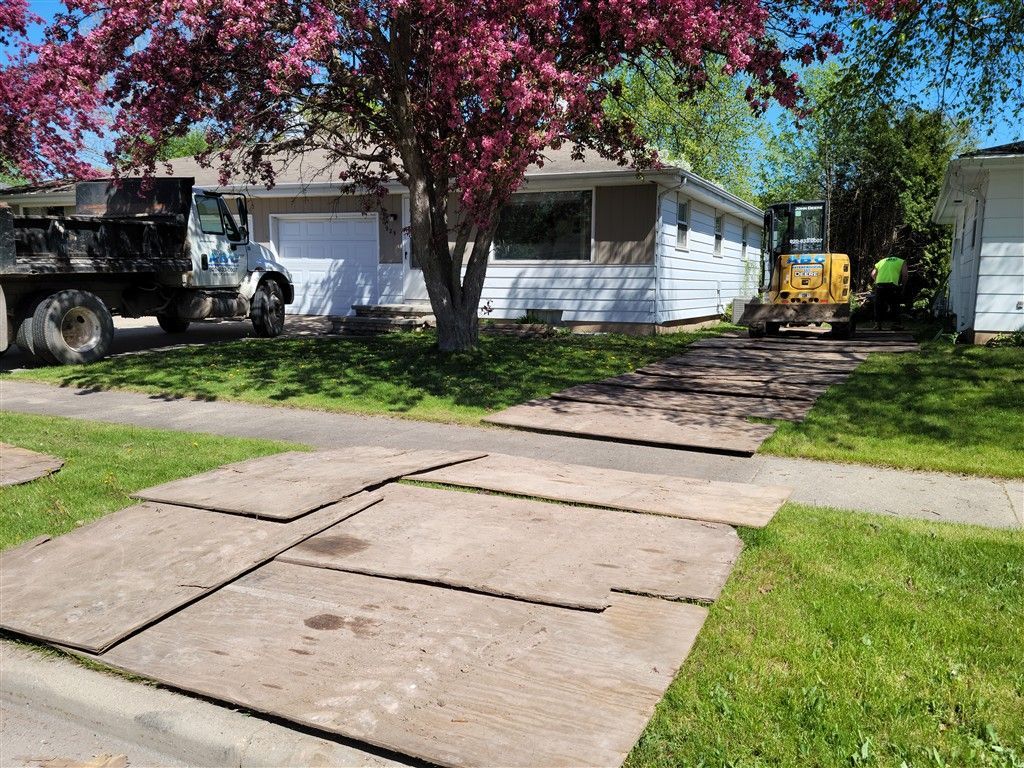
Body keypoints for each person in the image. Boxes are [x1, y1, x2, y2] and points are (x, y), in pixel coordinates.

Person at [870, 255, 908, 330]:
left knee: (878, 305)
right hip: (892, 285)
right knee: (894, 304)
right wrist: (903, 286)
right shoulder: (901, 261)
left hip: (880, 285)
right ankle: (896, 324)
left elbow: (873, 274)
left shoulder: (881, 261)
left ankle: (877, 325)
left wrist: (877, 281)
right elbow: (905, 275)